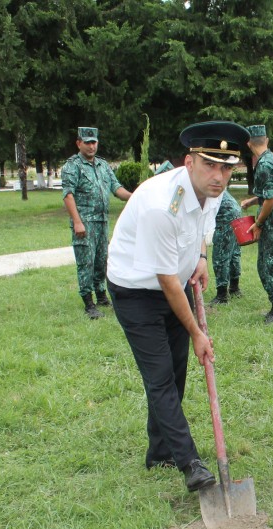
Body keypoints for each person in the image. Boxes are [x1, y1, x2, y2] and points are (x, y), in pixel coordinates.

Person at [106, 121, 251, 492]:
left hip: (175, 281)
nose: (219, 176)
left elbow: (206, 223)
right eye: (210, 165)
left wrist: (201, 256)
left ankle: (160, 452)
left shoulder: (214, 189)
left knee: (177, 370)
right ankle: (190, 463)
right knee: (160, 378)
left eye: (226, 167)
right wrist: (197, 332)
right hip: (136, 289)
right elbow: (167, 281)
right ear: (189, 162)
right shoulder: (160, 205)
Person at [62, 127, 132, 319]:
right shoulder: (72, 165)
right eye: (87, 142)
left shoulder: (102, 165)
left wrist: (135, 196)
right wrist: (77, 222)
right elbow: (68, 195)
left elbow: (116, 188)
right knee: (86, 262)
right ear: (79, 143)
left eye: (94, 142)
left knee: (102, 260)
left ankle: (101, 295)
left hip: (102, 221)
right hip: (84, 222)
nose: (91, 146)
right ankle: (88, 302)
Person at [241, 125, 273, 323]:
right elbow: (272, 193)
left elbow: (271, 200)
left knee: (272, 263)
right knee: (267, 262)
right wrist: (252, 201)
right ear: (267, 140)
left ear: (249, 144)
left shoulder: (264, 165)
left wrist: (259, 223)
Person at [209, 190, 244, 304]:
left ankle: (222, 296)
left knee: (221, 254)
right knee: (234, 251)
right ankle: (234, 288)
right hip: (234, 209)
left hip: (225, 212)